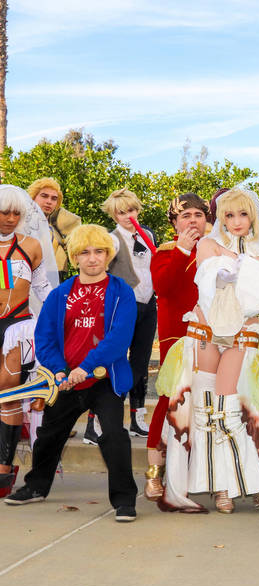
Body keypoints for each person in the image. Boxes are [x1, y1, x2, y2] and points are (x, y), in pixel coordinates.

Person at [155, 186, 259, 514]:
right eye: (229, 215)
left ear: (253, 215)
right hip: (204, 332)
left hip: (243, 336)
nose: (236, 221)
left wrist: (248, 271)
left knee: (235, 411)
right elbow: (205, 289)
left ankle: (256, 484)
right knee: (203, 410)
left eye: (243, 214)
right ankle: (219, 489)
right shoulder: (208, 244)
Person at [5, 225, 138, 520]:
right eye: (85, 253)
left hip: (105, 380)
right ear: (76, 257)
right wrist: (60, 371)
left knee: (115, 436)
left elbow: (119, 338)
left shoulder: (121, 293)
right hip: (65, 382)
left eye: (99, 251)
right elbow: (45, 338)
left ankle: (124, 500)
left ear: (108, 255)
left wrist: (86, 368)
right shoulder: (59, 295)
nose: (92, 258)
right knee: (49, 435)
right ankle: (36, 487)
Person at [144, 193, 209, 503]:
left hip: (213, 335)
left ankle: (198, 470)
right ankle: (153, 473)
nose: (193, 220)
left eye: (198, 214)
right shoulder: (165, 252)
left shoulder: (216, 250)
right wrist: (183, 249)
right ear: (174, 222)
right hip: (177, 338)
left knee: (207, 401)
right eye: (186, 216)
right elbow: (164, 287)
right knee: (169, 400)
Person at [0, 186, 58, 497]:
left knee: (7, 394)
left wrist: (62, 316)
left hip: (17, 326)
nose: (10, 219)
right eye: (3, 212)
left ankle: (4, 468)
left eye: (16, 213)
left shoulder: (32, 246)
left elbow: (43, 287)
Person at [102, 188, 157, 440]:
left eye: (132, 210)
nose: (128, 216)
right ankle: (105, 418)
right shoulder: (111, 239)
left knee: (141, 362)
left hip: (149, 304)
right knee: (115, 361)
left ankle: (138, 417)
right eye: (121, 212)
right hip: (125, 305)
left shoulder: (148, 235)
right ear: (114, 214)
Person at [27, 177, 81, 280]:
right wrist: (5, 284)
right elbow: (4, 256)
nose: (49, 201)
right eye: (44, 196)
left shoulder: (58, 227)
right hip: (21, 284)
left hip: (53, 280)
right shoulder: (17, 223)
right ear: (33, 197)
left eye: (54, 198)